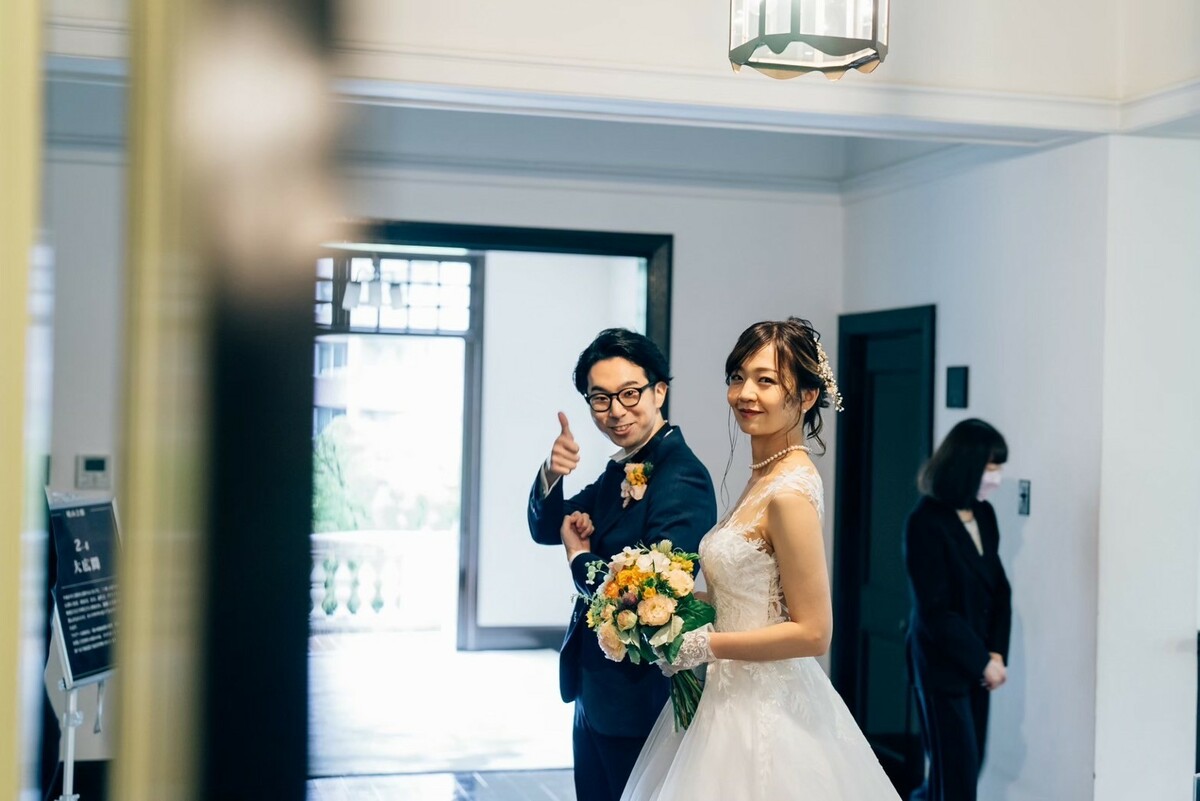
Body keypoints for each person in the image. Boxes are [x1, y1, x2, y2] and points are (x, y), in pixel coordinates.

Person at [620, 318, 901, 801]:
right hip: (725, 691)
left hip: (763, 705)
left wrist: (708, 645)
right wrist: (668, 607)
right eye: (738, 377)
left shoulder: (788, 493)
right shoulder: (764, 476)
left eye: (766, 380)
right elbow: (754, 596)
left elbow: (814, 632)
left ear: (807, 396)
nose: (744, 393)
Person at [528, 328, 717, 801]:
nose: (616, 411)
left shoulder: (681, 475)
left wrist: (579, 557)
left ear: (659, 391)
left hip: (638, 698)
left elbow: (652, 596)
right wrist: (552, 473)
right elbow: (549, 527)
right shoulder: (624, 467)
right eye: (600, 398)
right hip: (596, 692)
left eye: (629, 393)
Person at [903, 419, 1012, 801]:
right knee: (955, 775)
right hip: (942, 665)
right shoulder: (925, 522)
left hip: (980, 661)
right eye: (991, 468)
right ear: (967, 466)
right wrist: (982, 661)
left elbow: (1000, 589)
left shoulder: (984, 515)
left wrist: (995, 653)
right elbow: (936, 611)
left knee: (968, 766)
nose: (996, 478)